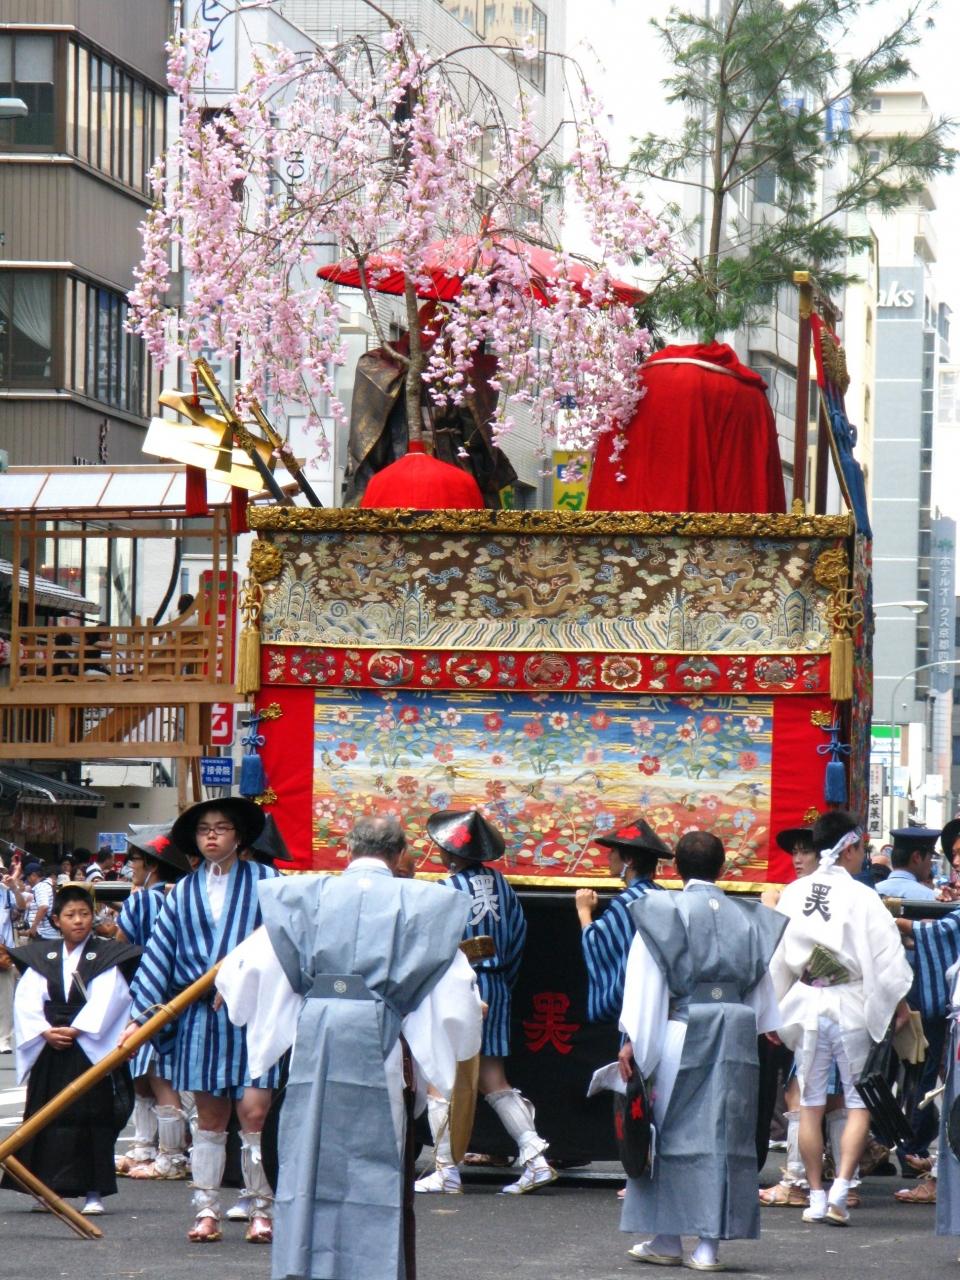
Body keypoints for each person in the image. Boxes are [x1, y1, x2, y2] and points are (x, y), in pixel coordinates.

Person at [215, 814, 484, 1280]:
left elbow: (244, 973)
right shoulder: (423, 904)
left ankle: (307, 1264)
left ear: (347, 848)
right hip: (383, 1046)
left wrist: (259, 1007)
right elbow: (457, 999)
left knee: (309, 1160)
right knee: (375, 1165)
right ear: (400, 854)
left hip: (317, 1043)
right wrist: (457, 1028)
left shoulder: (303, 897)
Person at [618, 829, 785, 1271]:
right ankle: (708, 1245)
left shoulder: (664, 913)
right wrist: (756, 1023)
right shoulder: (748, 918)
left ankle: (668, 1237)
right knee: (725, 1134)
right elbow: (762, 995)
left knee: (672, 1132)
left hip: (681, 1027)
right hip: (735, 1031)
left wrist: (636, 1042)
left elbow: (647, 985)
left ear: (674, 866)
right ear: (723, 867)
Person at [119, 796, 280, 1244]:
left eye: (222, 827)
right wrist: (139, 1019)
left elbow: (287, 945)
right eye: (204, 829)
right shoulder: (183, 892)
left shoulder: (269, 883)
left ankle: (260, 1207)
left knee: (255, 1113)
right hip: (199, 1015)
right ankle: (207, 1208)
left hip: (254, 1014)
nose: (212, 836)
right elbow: (158, 956)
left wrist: (242, 979)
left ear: (239, 836)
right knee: (210, 1118)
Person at [769, 810, 913, 1226]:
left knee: (810, 1103)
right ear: (849, 849)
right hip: (849, 1003)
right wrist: (895, 1004)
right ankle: (841, 1188)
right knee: (857, 1102)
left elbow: (778, 957)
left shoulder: (794, 892)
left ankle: (815, 1193)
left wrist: (774, 1008)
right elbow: (887, 961)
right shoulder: (862, 897)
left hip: (808, 1002)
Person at [414, 808, 555, 1197]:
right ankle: (535, 1158)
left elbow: (434, 949)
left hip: (459, 989)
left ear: (451, 852)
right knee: (494, 1079)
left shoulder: (445, 890)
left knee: (440, 1079)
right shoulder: (502, 884)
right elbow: (519, 935)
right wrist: (501, 982)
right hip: (497, 985)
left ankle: (446, 1170)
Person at [1, 884, 140, 1215]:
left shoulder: (105, 955)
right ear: (56, 920)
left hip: (86, 1046)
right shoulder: (42, 956)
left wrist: (79, 1028)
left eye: (84, 914)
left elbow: (111, 998)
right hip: (50, 1045)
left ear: (93, 917)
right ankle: (46, 1188)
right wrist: (44, 1031)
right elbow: (27, 999)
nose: (78, 921)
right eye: (70, 915)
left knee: (92, 1117)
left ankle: (93, 1191)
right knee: (47, 1115)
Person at [114, 826, 192, 1181]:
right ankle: (149, 1147)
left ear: (151, 864)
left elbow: (120, 943)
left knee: (156, 1075)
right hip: (176, 992)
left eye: (134, 859)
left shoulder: (142, 900)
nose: (131, 866)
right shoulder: (181, 897)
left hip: (144, 992)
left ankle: (167, 1155)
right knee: (147, 1075)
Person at [576, 818, 668, 1024]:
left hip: (640, 1004)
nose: (608, 856)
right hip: (665, 1001)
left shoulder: (626, 902)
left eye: (613, 851)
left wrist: (584, 911)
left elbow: (596, 943)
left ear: (629, 860)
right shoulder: (664, 895)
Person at [0, 858, 28, 1053]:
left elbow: (22, 906)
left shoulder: (6, 892)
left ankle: (4, 1039)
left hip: (3, 950)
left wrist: (14, 888)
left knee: (5, 998)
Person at [874, 828, 939, 901]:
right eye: (930, 858)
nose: (931, 864)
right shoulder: (932, 898)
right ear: (917, 857)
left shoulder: (871, 893)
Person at [23, 862, 59, 941]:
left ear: (33, 875)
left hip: (46, 934)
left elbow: (43, 907)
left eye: (27, 877)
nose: (27, 880)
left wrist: (33, 927)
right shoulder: (46, 885)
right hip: (48, 933)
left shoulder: (41, 887)